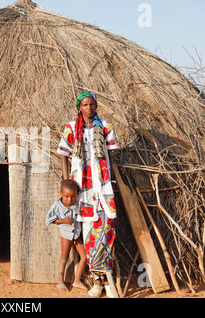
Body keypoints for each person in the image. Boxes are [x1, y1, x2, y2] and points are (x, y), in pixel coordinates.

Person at [57, 91, 119, 298]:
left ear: (96, 106)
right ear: (79, 107)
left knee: (106, 234)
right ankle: (97, 281)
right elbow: (63, 154)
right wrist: (68, 184)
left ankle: (106, 282)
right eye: (85, 105)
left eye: (92, 104)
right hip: (82, 192)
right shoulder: (71, 128)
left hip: (103, 190)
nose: (89, 108)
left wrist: (111, 178)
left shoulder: (106, 126)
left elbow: (109, 154)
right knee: (89, 234)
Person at [46, 179, 87, 292]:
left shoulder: (77, 203)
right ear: (61, 194)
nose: (69, 200)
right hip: (66, 235)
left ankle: (77, 280)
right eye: (66, 197)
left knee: (84, 256)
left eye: (72, 197)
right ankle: (60, 281)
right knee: (64, 258)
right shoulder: (57, 206)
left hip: (77, 235)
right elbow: (49, 220)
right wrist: (63, 220)